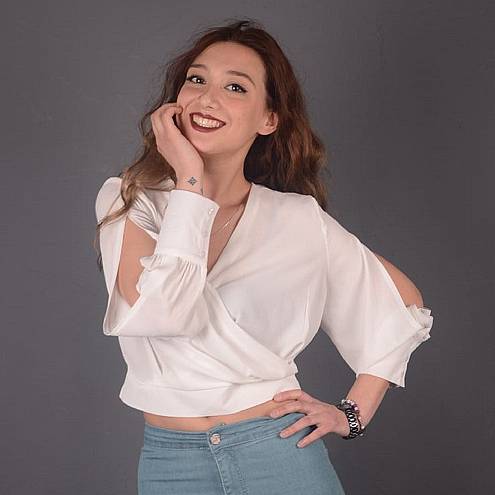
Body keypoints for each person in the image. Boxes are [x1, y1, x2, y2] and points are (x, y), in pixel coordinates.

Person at [94, 18, 434, 495]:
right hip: (171, 462)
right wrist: (189, 179)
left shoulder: (297, 219)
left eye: (235, 87)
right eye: (196, 79)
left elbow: (403, 303)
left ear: (269, 119)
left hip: (278, 452)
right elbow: (163, 310)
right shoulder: (129, 199)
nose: (207, 98)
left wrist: (351, 414)